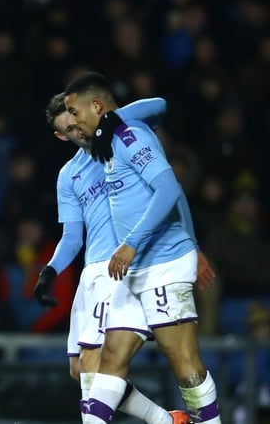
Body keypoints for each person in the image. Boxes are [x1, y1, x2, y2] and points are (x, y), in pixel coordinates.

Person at [35, 92, 210, 423]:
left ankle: (163, 419)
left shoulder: (119, 139)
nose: (78, 131)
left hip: (125, 264)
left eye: (77, 121)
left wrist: (112, 118)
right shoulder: (68, 175)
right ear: (61, 136)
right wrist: (50, 270)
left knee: (95, 367)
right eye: (69, 130)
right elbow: (73, 236)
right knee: (79, 370)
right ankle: (166, 420)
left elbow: (160, 105)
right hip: (93, 271)